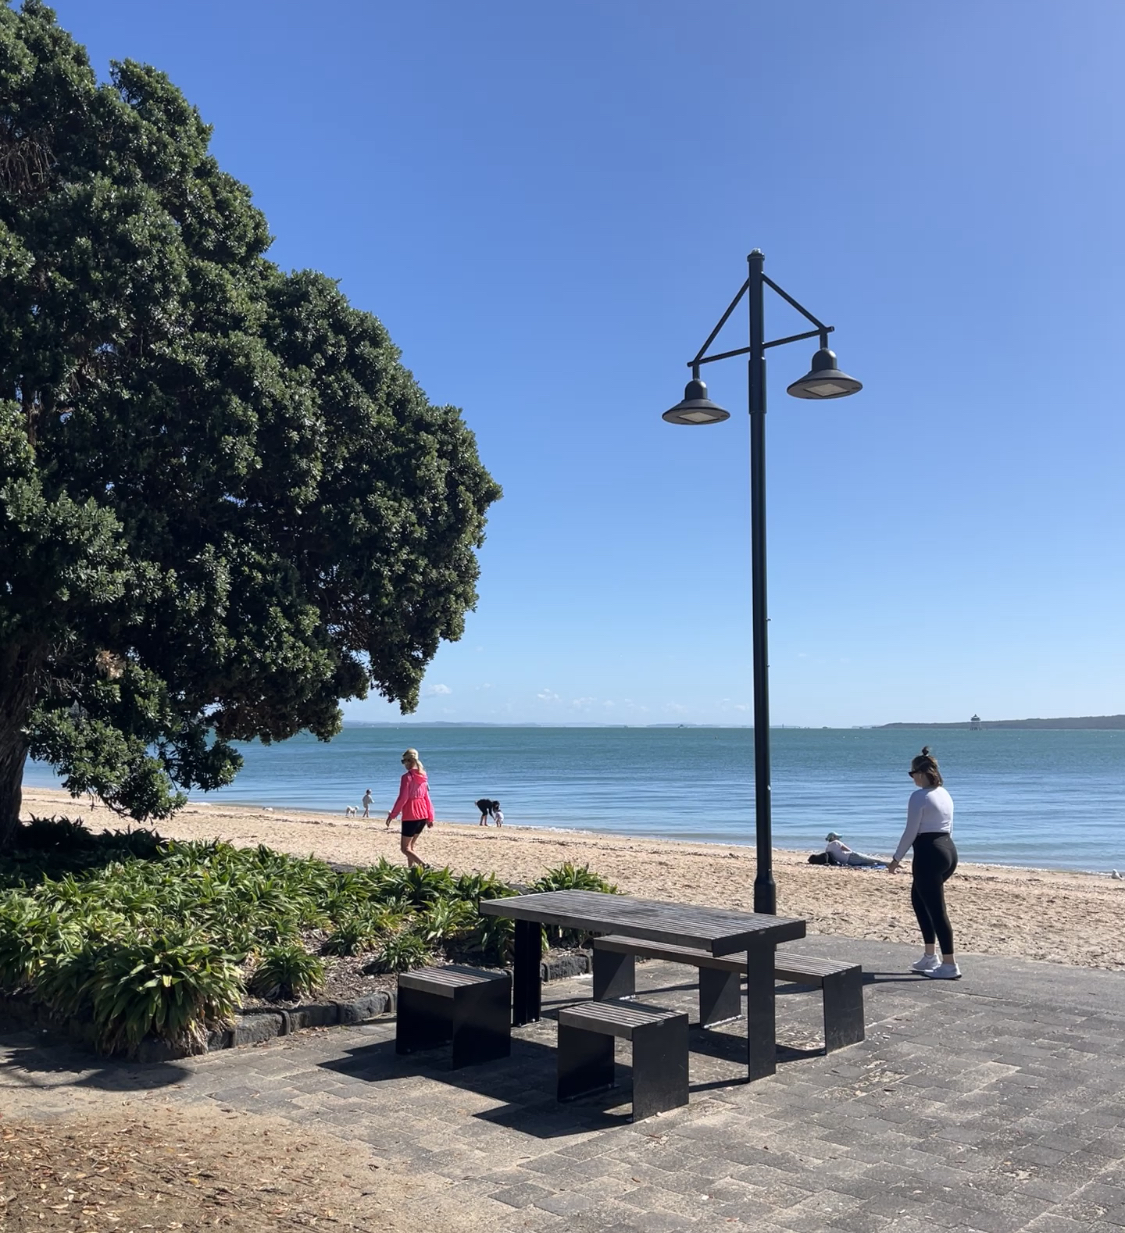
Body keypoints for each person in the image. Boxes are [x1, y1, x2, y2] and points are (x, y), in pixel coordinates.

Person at [887, 747, 960, 979]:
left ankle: (949, 965)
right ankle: (930, 956)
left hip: (929, 854)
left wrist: (896, 859)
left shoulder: (919, 797)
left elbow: (911, 831)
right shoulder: (944, 793)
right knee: (920, 901)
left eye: (912, 773)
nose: (911, 778)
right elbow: (949, 826)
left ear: (921, 773)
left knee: (937, 910)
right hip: (947, 850)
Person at [386, 749, 434, 868]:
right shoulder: (423, 776)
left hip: (411, 815)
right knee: (411, 847)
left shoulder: (407, 777)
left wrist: (392, 815)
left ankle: (424, 866)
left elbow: (403, 798)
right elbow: (427, 798)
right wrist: (430, 817)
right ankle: (411, 871)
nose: (404, 764)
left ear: (409, 761)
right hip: (423, 815)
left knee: (405, 848)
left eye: (404, 761)